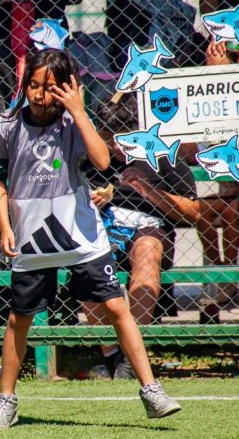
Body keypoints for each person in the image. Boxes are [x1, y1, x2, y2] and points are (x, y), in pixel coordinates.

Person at [0, 49, 181, 429]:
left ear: (68, 88)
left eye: (51, 88)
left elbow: (103, 162)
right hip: (32, 236)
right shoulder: (7, 126)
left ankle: (151, 390)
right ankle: (4, 400)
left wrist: (78, 109)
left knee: (117, 307)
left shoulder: (73, 124)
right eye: (34, 86)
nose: (40, 96)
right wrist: (5, 226)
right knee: (19, 319)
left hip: (80, 234)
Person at [85, 94, 200, 376]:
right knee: (83, 257)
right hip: (101, 229)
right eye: (111, 140)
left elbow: (194, 212)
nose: (118, 149)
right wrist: (87, 200)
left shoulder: (162, 156)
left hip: (149, 229)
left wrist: (149, 190)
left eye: (124, 141)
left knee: (147, 248)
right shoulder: (90, 157)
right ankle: (110, 354)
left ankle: (131, 356)